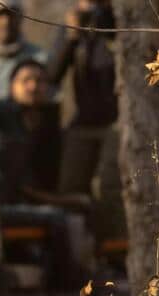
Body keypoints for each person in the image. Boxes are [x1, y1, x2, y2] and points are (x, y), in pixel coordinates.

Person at [45, 0, 119, 197]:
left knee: (111, 188)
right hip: (83, 120)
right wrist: (71, 37)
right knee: (70, 188)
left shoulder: (120, 20)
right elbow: (52, 76)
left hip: (119, 122)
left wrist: (104, 18)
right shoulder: (73, 23)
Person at [0, 59, 65, 205]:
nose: (33, 87)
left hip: (42, 203)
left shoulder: (52, 125)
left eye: (40, 81)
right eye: (26, 80)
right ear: (12, 86)